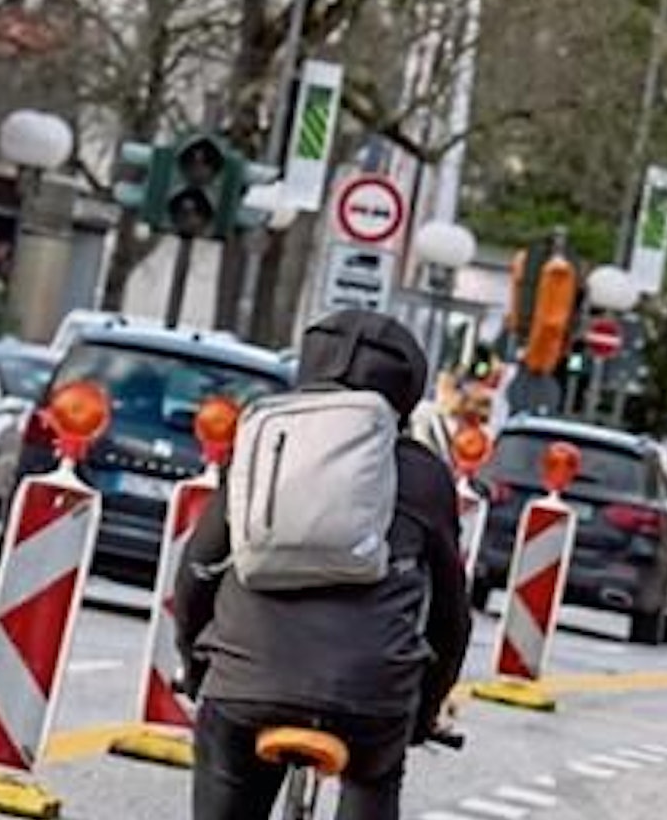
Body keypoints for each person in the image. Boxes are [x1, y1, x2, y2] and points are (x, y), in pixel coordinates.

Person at [174, 310, 471, 820]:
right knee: (375, 773)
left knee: (227, 768)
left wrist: (198, 665)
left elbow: (198, 569)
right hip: (371, 700)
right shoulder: (424, 476)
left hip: (246, 685)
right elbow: (450, 617)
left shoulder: (260, 448)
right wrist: (424, 710)